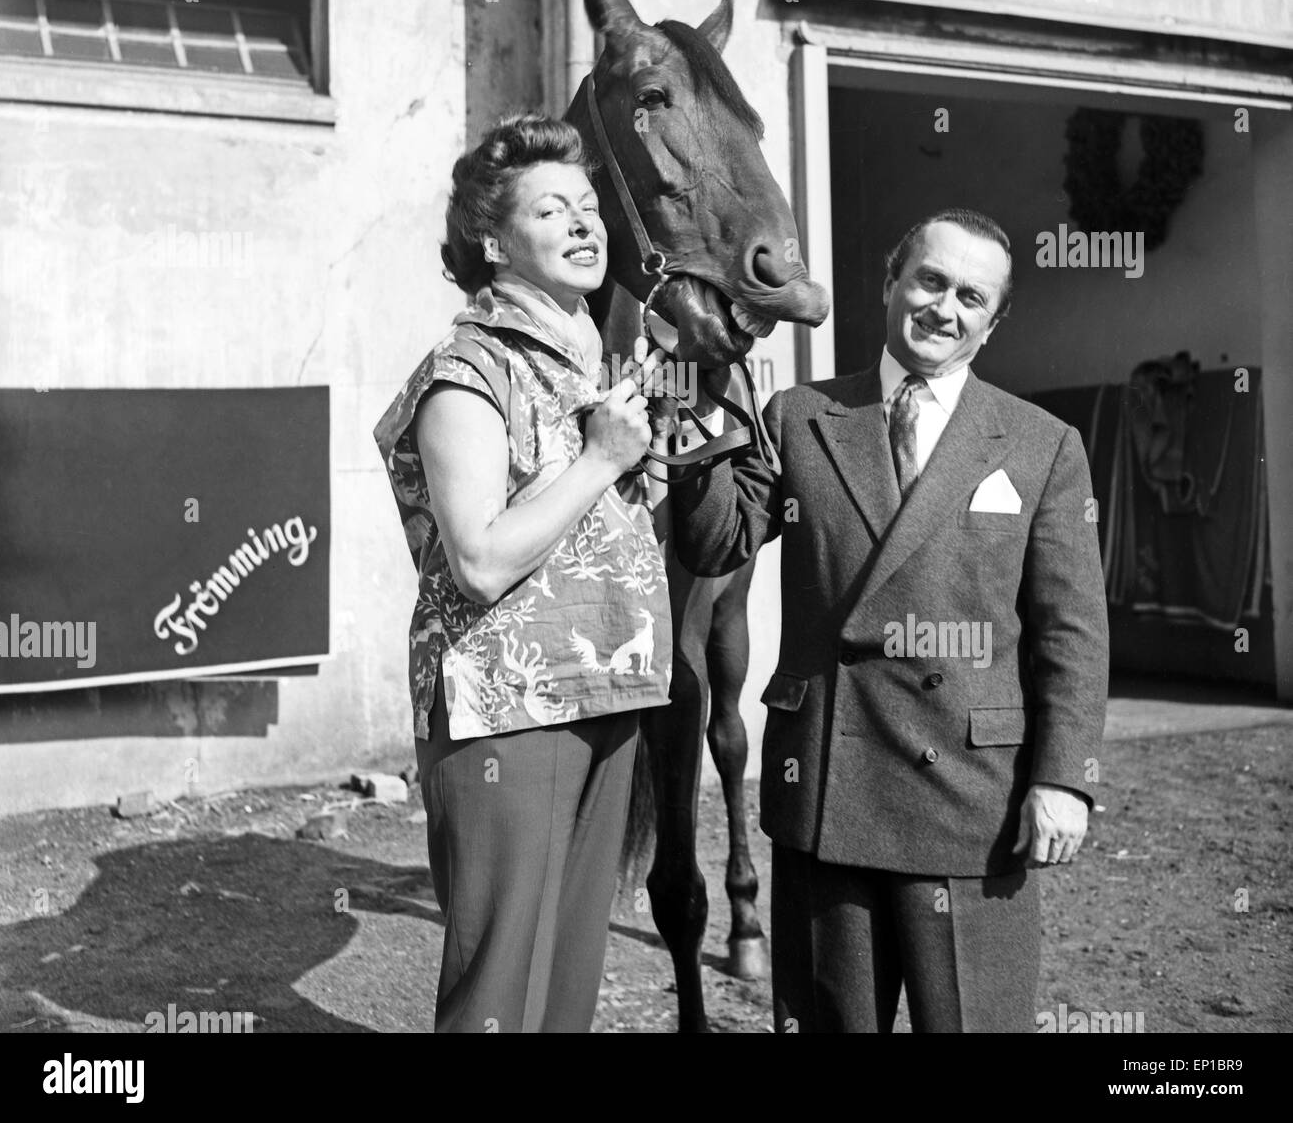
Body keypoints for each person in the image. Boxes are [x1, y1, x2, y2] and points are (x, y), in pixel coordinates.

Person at [669, 208, 1109, 1033]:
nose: (946, 308)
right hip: (829, 786)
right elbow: (719, 540)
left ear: (993, 321)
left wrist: (1063, 779)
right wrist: (696, 420)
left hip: (971, 800)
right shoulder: (801, 416)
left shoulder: (1043, 443)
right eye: (931, 281)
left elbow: (1070, 631)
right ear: (890, 281)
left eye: (971, 297)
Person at [373, 114, 673, 1033]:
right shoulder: (468, 371)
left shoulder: (593, 364)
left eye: (589, 206)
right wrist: (599, 462)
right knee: (502, 987)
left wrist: (634, 475)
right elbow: (477, 560)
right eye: (554, 211)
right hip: (506, 708)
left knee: (568, 984)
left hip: (605, 691)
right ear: (496, 242)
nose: (586, 224)